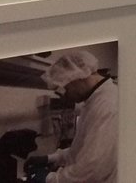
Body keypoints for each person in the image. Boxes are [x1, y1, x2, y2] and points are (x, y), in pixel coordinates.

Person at [32, 51, 119, 183]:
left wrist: (51, 179)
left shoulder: (108, 104)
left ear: (77, 77)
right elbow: (82, 150)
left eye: (65, 88)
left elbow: (93, 168)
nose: (65, 95)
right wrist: (52, 158)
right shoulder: (93, 101)